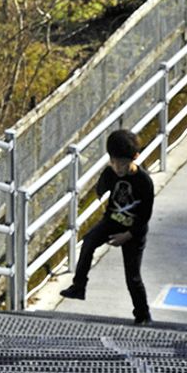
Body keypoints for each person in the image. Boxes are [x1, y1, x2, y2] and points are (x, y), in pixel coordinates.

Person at [59, 128, 153, 324]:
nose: (118, 167)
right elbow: (101, 189)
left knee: (132, 277)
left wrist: (126, 236)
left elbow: (145, 216)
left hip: (133, 231)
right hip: (112, 221)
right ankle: (79, 286)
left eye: (123, 163)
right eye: (114, 161)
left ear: (134, 157)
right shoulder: (111, 173)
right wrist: (102, 186)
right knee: (88, 242)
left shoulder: (144, 182)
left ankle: (143, 315)